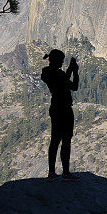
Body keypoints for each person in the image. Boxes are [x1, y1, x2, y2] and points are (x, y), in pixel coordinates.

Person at [40, 49, 79, 182]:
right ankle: (60, 172)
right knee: (58, 140)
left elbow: (73, 86)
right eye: (61, 60)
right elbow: (65, 84)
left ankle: (60, 172)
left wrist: (73, 71)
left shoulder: (54, 73)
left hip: (61, 109)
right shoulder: (48, 72)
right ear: (55, 60)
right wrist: (73, 70)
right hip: (60, 109)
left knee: (62, 140)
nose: (62, 63)